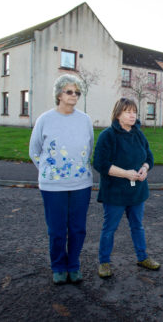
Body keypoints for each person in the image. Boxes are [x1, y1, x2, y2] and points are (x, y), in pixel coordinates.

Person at [29, 74, 94, 285]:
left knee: (78, 228)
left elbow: (89, 149)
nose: (74, 95)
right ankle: (58, 266)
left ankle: (73, 265)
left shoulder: (85, 120)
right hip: (52, 186)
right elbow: (34, 150)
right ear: (59, 94)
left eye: (77, 92)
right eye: (69, 91)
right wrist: (50, 173)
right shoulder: (45, 120)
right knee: (57, 230)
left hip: (81, 185)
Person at [93, 97, 159, 278]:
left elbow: (149, 157)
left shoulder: (138, 134)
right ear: (118, 114)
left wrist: (145, 169)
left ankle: (142, 257)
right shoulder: (108, 135)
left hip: (137, 191)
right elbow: (100, 163)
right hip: (114, 192)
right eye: (128, 112)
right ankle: (104, 262)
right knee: (109, 228)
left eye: (134, 112)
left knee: (137, 226)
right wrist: (126, 173)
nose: (132, 115)